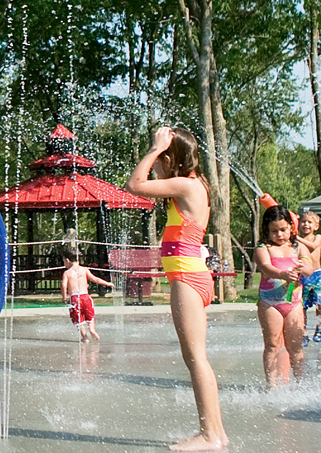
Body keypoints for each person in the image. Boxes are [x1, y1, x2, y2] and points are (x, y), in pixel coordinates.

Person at [123, 126, 228, 451]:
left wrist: (155, 148)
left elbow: (135, 185)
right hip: (189, 276)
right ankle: (216, 432)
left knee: (196, 357)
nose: (154, 165)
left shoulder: (186, 184)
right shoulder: (189, 185)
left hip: (187, 277)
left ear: (170, 158)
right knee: (194, 356)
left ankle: (211, 435)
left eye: (160, 158)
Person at [255, 205, 312, 389]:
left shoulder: (298, 247)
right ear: (266, 230)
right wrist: (283, 274)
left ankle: (301, 384)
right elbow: (265, 267)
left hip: (293, 304)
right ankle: (271, 385)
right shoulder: (263, 248)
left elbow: (310, 267)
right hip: (270, 303)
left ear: (290, 227)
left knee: (295, 348)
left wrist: (305, 268)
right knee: (272, 345)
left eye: (283, 230)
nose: (279, 235)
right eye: (274, 231)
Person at [60, 246, 114, 342]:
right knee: (90, 314)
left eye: (64, 261)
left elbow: (64, 286)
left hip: (74, 299)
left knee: (78, 319)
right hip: (85, 296)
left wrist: (64, 298)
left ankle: (84, 337)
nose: (64, 264)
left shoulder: (67, 273)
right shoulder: (84, 269)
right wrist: (107, 283)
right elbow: (95, 279)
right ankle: (92, 330)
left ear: (67, 260)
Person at [294, 209, 321, 342]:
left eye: (309, 222)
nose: (306, 224)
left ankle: (320, 326)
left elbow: (313, 246)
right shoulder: (296, 241)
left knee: (320, 303)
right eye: (303, 222)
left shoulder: (317, 237)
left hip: (317, 275)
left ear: (316, 226)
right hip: (303, 277)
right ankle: (303, 331)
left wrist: (298, 238)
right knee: (302, 306)